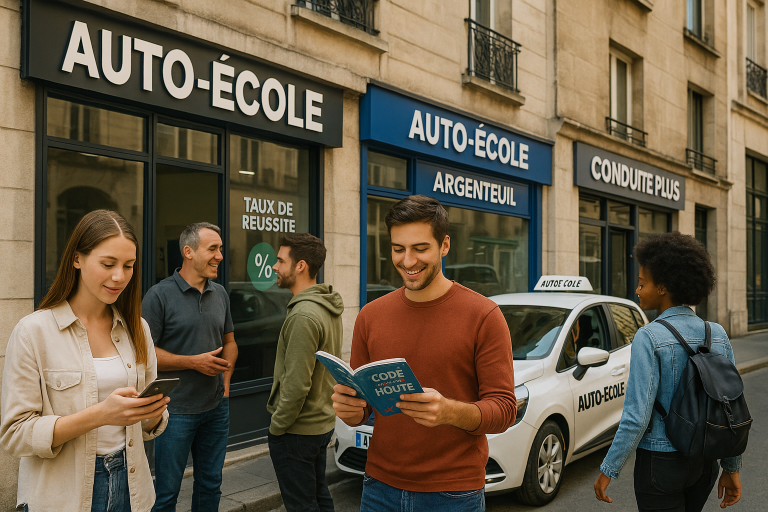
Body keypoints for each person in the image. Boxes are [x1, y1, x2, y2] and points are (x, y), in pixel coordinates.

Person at [332, 195, 517, 512]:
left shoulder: (484, 315)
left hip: (454, 494)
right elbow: (363, 405)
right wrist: (350, 410)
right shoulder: (370, 315)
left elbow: (504, 410)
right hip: (378, 488)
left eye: (420, 249)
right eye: (397, 249)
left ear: (444, 245)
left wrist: (449, 412)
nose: (407, 261)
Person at [0, 210, 169, 512]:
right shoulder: (34, 331)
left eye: (129, 266)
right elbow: (15, 435)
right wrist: (101, 414)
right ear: (77, 258)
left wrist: (152, 413)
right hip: (62, 495)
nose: (120, 276)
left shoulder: (137, 328)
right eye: (108, 264)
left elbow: (148, 426)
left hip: (132, 487)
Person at [594, 231, 743, 511]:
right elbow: (730, 409)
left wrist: (608, 468)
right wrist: (732, 468)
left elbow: (636, 418)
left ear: (662, 287)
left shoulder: (649, 337)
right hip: (705, 461)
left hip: (660, 463)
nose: (637, 290)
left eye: (642, 284)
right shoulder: (719, 334)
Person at [142, 222, 238, 512]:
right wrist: (193, 363)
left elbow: (230, 341)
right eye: (213, 249)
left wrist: (226, 385)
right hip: (174, 411)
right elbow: (142, 353)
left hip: (215, 408)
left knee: (210, 485)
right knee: (165, 494)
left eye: (220, 249)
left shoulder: (220, 293)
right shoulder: (158, 296)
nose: (220, 255)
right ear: (188, 252)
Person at [266, 233, 344, 512]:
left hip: (298, 430)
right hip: (320, 424)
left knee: (301, 504)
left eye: (280, 260)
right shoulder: (326, 306)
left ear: (300, 266)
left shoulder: (304, 315)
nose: (275, 266)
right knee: (319, 496)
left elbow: (297, 384)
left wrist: (277, 428)